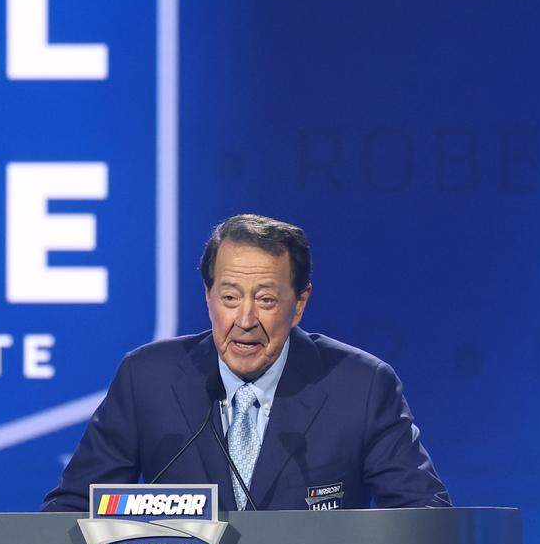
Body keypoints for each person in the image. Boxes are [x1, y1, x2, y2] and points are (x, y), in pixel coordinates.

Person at [42, 213, 450, 512]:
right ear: (208, 297)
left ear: (300, 303)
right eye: (230, 297)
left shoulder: (359, 387)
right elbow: (72, 510)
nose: (246, 320)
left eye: (267, 300)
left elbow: (423, 515)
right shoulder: (147, 379)